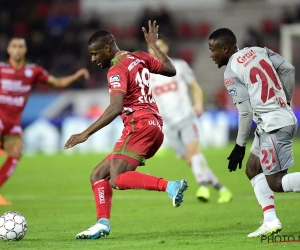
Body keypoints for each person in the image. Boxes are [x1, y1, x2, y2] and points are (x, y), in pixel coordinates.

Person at [64, 20, 188, 240]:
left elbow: (115, 107)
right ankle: (102, 223)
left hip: (138, 126)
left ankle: (170, 186)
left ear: (107, 48)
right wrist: (154, 46)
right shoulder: (138, 56)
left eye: (95, 54)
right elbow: (170, 69)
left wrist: (85, 134)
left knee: (117, 178)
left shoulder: (116, 69)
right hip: (155, 127)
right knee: (98, 175)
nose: (93, 59)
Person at [208, 28, 299, 238]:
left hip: (274, 124)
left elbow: (245, 111)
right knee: (252, 168)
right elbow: (288, 70)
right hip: (273, 121)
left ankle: (271, 220)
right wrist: (283, 100)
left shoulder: (231, 71)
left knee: (276, 182)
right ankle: (270, 220)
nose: (211, 55)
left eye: (213, 50)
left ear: (225, 48)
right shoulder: (259, 51)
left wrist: (239, 145)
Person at [0, 37, 89, 205]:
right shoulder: (2, 69)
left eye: (21, 46)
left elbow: (56, 83)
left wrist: (75, 78)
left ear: (25, 50)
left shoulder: (33, 71)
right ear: (9, 50)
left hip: (13, 121)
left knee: (16, 152)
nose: (17, 49)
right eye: (14, 46)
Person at [148, 36, 233, 203]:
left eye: (158, 47)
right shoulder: (148, 74)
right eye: (151, 48)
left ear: (165, 48)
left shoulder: (179, 66)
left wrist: (198, 104)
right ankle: (222, 189)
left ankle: (202, 186)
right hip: (168, 125)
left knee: (194, 152)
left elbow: (195, 87)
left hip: (186, 117)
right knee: (192, 162)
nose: (154, 51)